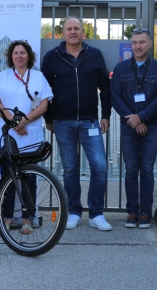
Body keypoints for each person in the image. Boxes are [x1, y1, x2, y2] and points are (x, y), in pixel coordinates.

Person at [41, 16, 113, 231]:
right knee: (70, 169)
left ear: (83, 32)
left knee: (99, 167)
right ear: (62, 33)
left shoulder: (95, 55)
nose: (73, 32)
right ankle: (73, 211)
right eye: (69, 29)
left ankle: (96, 214)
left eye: (77, 29)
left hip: (90, 121)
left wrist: (106, 115)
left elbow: (105, 88)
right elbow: (45, 92)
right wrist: (49, 119)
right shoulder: (51, 57)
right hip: (62, 122)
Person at [0, 40, 53, 235]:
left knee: (30, 178)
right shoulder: (3, 76)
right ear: (11, 57)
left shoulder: (39, 77)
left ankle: (27, 218)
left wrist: (24, 121)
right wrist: (14, 124)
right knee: (7, 176)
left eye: (22, 53)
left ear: (28, 56)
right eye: (15, 53)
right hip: (9, 135)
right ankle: (7, 216)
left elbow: (43, 105)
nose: (19, 56)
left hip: (30, 135)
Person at [111, 28, 157, 229]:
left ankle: (145, 213)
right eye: (134, 42)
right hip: (128, 126)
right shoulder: (120, 69)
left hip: (151, 125)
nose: (138, 46)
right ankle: (131, 212)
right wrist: (133, 120)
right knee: (131, 170)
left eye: (142, 42)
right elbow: (115, 97)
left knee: (146, 169)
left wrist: (141, 117)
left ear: (150, 44)